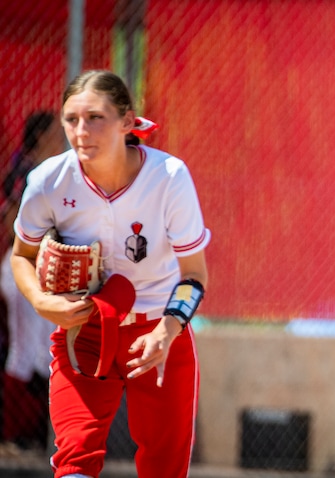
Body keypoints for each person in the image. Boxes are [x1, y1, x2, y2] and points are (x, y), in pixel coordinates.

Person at [10, 70, 210, 478]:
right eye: (71, 119)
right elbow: (21, 256)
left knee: (164, 468)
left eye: (95, 118)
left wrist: (167, 331)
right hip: (83, 329)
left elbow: (194, 277)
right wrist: (41, 300)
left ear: (127, 122)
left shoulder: (169, 178)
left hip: (157, 331)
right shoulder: (48, 180)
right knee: (74, 461)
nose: (81, 131)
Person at [0, 111, 65, 454]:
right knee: (23, 354)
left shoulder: (54, 172)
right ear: (39, 137)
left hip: (43, 270)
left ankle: (35, 437)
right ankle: (12, 437)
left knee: (42, 354)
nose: (61, 137)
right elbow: (13, 225)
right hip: (22, 268)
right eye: (55, 131)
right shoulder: (28, 169)